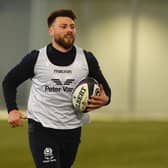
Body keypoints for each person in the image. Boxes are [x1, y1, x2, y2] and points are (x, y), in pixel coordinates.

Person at [2, 9, 111, 168]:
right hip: (42, 127)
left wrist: (106, 99)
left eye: (72, 26)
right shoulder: (36, 58)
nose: (69, 30)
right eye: (63, 26)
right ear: (51, 30)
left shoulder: (87, 59)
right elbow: (9, 82)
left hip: (72, 129)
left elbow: (105, 89)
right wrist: (12, 110)